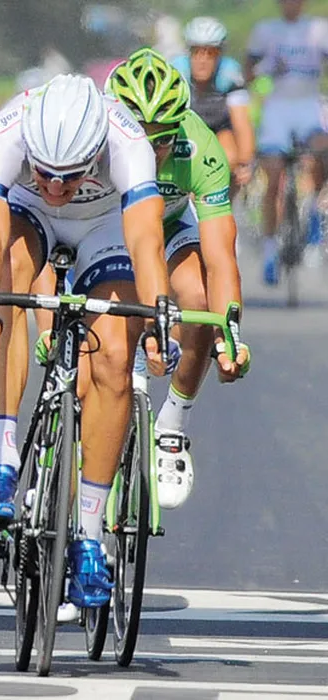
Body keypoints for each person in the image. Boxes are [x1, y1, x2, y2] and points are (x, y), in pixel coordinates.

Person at [0, 74, 169, 608]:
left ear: (97, 151)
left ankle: (89, 536)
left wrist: (158, 319)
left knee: (116, 357)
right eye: (45, 172)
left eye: (72, 175)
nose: (56, 186)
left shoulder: (128, 143)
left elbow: (146, 241)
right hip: (27, 217)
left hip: (105, 225)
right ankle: (1, 460)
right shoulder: (4, 134)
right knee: (1, 292)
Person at [106, 49, 251, 508]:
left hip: (170, 227)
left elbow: (220, 257)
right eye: (139, 135)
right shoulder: (93, 138)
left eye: (163, 138)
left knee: (199, 299)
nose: (151, 150)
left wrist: (230, 335)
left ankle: (173, 425)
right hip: (105, 228)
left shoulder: (201, 147)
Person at [244, 0, 328, 285]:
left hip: (308, 106)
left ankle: (314, 215)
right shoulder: (266, 30)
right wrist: (261, 74)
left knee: (320, 151)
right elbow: (248, 69)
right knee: (273, 177)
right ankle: (270, 249)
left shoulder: (318, 29)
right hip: (277, 108)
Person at [171, 17, 255, 199]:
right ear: (188, 53)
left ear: (220, 56)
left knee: (230, 157)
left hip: (219, 129)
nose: (203, 60)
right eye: (197, 52)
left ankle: (223, 204)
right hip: (184, 130)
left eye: (211, 53)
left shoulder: (230, 74)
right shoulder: (176, 73)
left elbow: (242, 122)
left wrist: (245, 163)